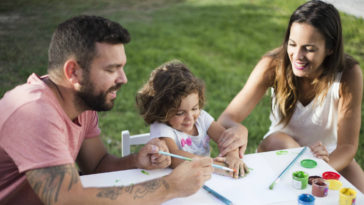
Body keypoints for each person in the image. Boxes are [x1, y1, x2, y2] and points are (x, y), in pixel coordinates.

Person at [0, 15, 215, 205]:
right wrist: (169, 186)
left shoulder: (81, 102)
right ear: (73, 72)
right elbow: (67, 200)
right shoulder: (35, 112)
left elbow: (97, 164)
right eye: (111, 69)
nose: (123, 79)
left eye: (122, 67)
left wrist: (137, 160)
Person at [218, 0, 364, 192]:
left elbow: (347, 146)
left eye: (309, 49)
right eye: (293, 44)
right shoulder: (273, 64)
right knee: (280, 141)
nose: (297, 55)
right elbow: (227, 119)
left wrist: (321, 168)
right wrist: (240, 129)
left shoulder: (348, 74)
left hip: (326, 156)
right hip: (280, 147)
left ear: (330, 48)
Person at [136, 61, 248, 178]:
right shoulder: (161, 128)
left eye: (194, 108)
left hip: (203, 178)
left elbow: (227, 139)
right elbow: (174, 157)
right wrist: (214, 165)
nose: (190, 118)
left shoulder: (201, 118)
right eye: (180, 113)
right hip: (175, 181)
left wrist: (232, 156)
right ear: (162, 111)